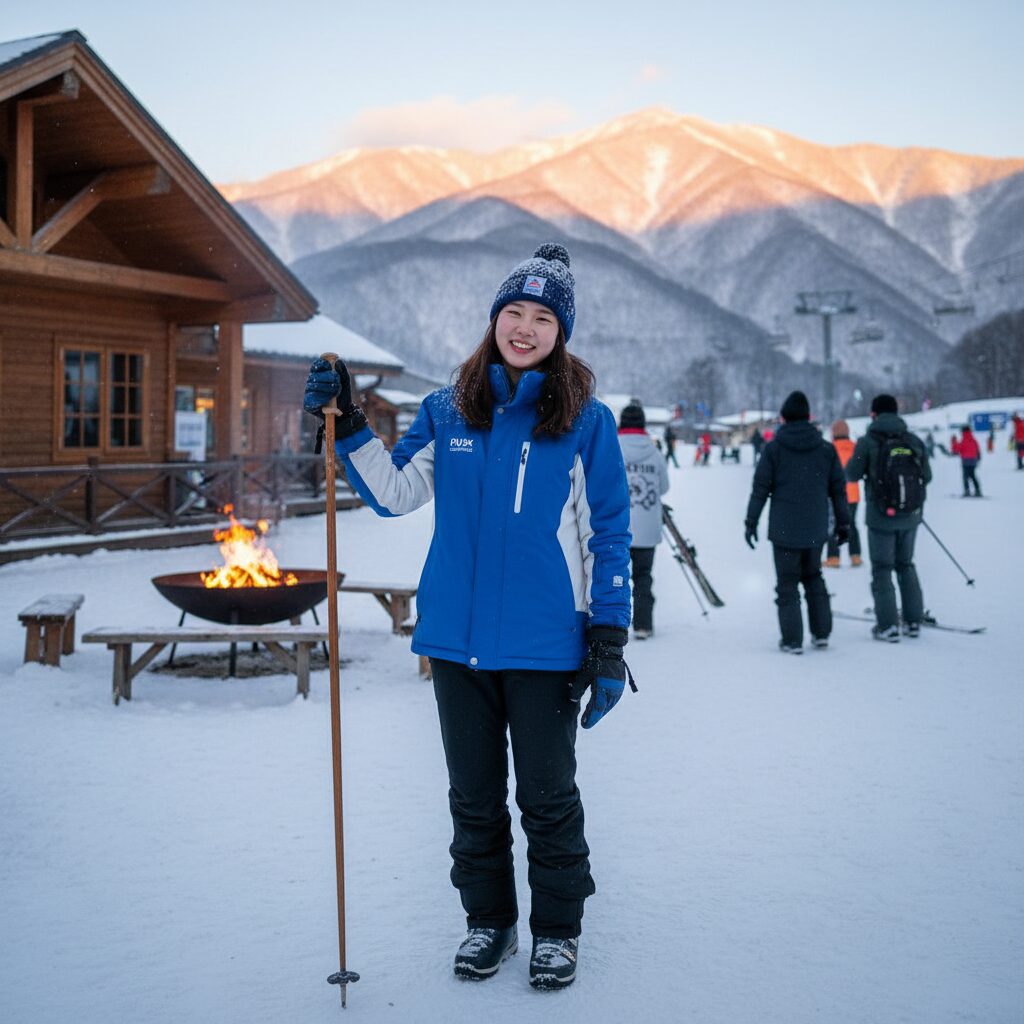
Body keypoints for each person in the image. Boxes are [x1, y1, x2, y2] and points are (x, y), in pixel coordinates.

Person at [303, 243, 633, 991]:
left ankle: (556, 931)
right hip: (456, 643)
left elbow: (606, 532)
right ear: (494, 320)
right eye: (514, 311)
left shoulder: (586, 422)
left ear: (561, 332)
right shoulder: (447, 410)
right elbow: (392, 493)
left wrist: (608, 637)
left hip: (547, 645)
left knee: (548, 800)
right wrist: (348, 422)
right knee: (473, 798)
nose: (525, 327)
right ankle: (489, 921)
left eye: (542, 317)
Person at [743, 390, 850, 654]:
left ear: (784, 418)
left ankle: (792, 640)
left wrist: (751, 522)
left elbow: (760, 489)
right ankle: (821, 634)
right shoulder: (825, 449)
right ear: (808, 416)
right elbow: (838, 489)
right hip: (815, 527)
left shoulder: (774, 449)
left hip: (784, 529)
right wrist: (843, 523)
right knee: (814, 577)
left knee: (787, 583)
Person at [845, 394, 932, 641]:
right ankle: (913, 622)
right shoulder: (913, 440)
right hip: (910, 516)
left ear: (874, 414)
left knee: (882, 569)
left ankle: (888, 626)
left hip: (880, 517)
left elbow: (851, 474)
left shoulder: (867, 442)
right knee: (906, 565)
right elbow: (927, 475)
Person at [618, 403, 670, 639]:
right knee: (643, 577)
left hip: (617, 526)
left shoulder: (612, 446)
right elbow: (664, 487)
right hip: (648, 528)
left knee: (612, 577)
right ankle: (643, 625)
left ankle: (611, 626)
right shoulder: (655, 451)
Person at [824, 420, 863, 568]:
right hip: (853, 494)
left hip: (834, 494)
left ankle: (833, 558)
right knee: (852, 524)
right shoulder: (855, 448)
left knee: (833, 525)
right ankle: (855, 556)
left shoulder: (829, 449)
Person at [957, 424, 982, 497]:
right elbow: (978, 449)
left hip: (965, 461)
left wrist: (954, 443)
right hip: (973, 461)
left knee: (965, 477)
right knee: (973, 476)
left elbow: (958, 449)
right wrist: (978, 458)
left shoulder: (963, 440)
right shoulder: (974, 440)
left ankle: (967, 491)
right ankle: (978, 490)